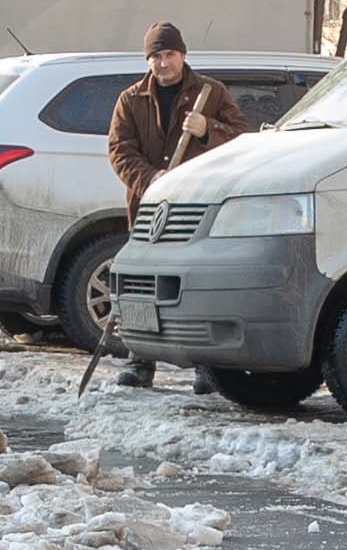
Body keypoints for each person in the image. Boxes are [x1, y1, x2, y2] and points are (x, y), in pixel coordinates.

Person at [100, 20, 241, 389]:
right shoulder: (131, 100)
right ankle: (140, 361)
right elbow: (119, 150)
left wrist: (208, 129)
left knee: (194, 286)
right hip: (149, 209)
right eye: (156, 56)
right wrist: (150, 179)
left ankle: (204, 366)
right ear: (148, 60)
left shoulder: (211, 93)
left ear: (183, 55)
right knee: (141, 286)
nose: (163, 63)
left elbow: (242, 139)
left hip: (198, 208)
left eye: (169, 55)